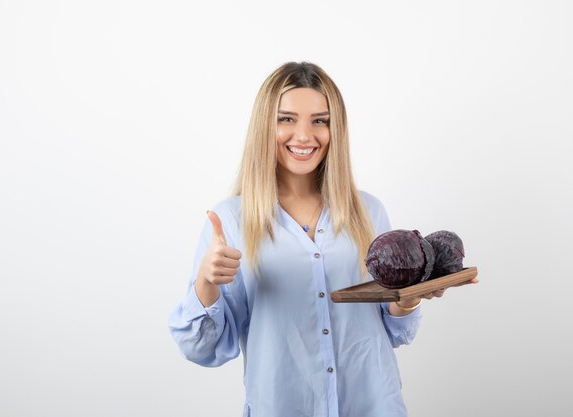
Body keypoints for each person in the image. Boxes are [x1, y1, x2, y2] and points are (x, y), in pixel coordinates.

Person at [167, 61, 478, 417]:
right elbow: (200, 348)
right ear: (264, 127)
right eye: (286, 119)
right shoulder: (232, 220)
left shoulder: (368, 211)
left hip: (374, 406)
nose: (304, 135)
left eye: (319, 120)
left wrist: (410, 299)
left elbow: (394, 329)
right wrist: (207, 282)